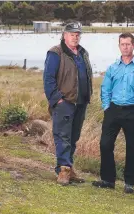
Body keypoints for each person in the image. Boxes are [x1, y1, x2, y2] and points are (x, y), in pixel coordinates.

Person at [92, 33, 134, 194]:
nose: (125, 47)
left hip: (133, 111)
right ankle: (108, 180)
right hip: (113, 110)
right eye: (122, 44)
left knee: (132, 148)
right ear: (119, 46)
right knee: (105, 144)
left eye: (128, 44)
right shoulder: (112, 68)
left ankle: (129, 183)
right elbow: (105, 89)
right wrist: (106, 106)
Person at [43, 22, 93, 186]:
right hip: (65, 102)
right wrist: (57, 99)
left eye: (78, 34)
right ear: (64, 35)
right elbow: (48, 79)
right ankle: (63, 170)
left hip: (80, 102)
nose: (75, 36)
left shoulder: (83, 53)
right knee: (63, 136)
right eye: (72, 34)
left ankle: (69, 168)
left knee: (73, 137)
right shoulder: (55, 53)